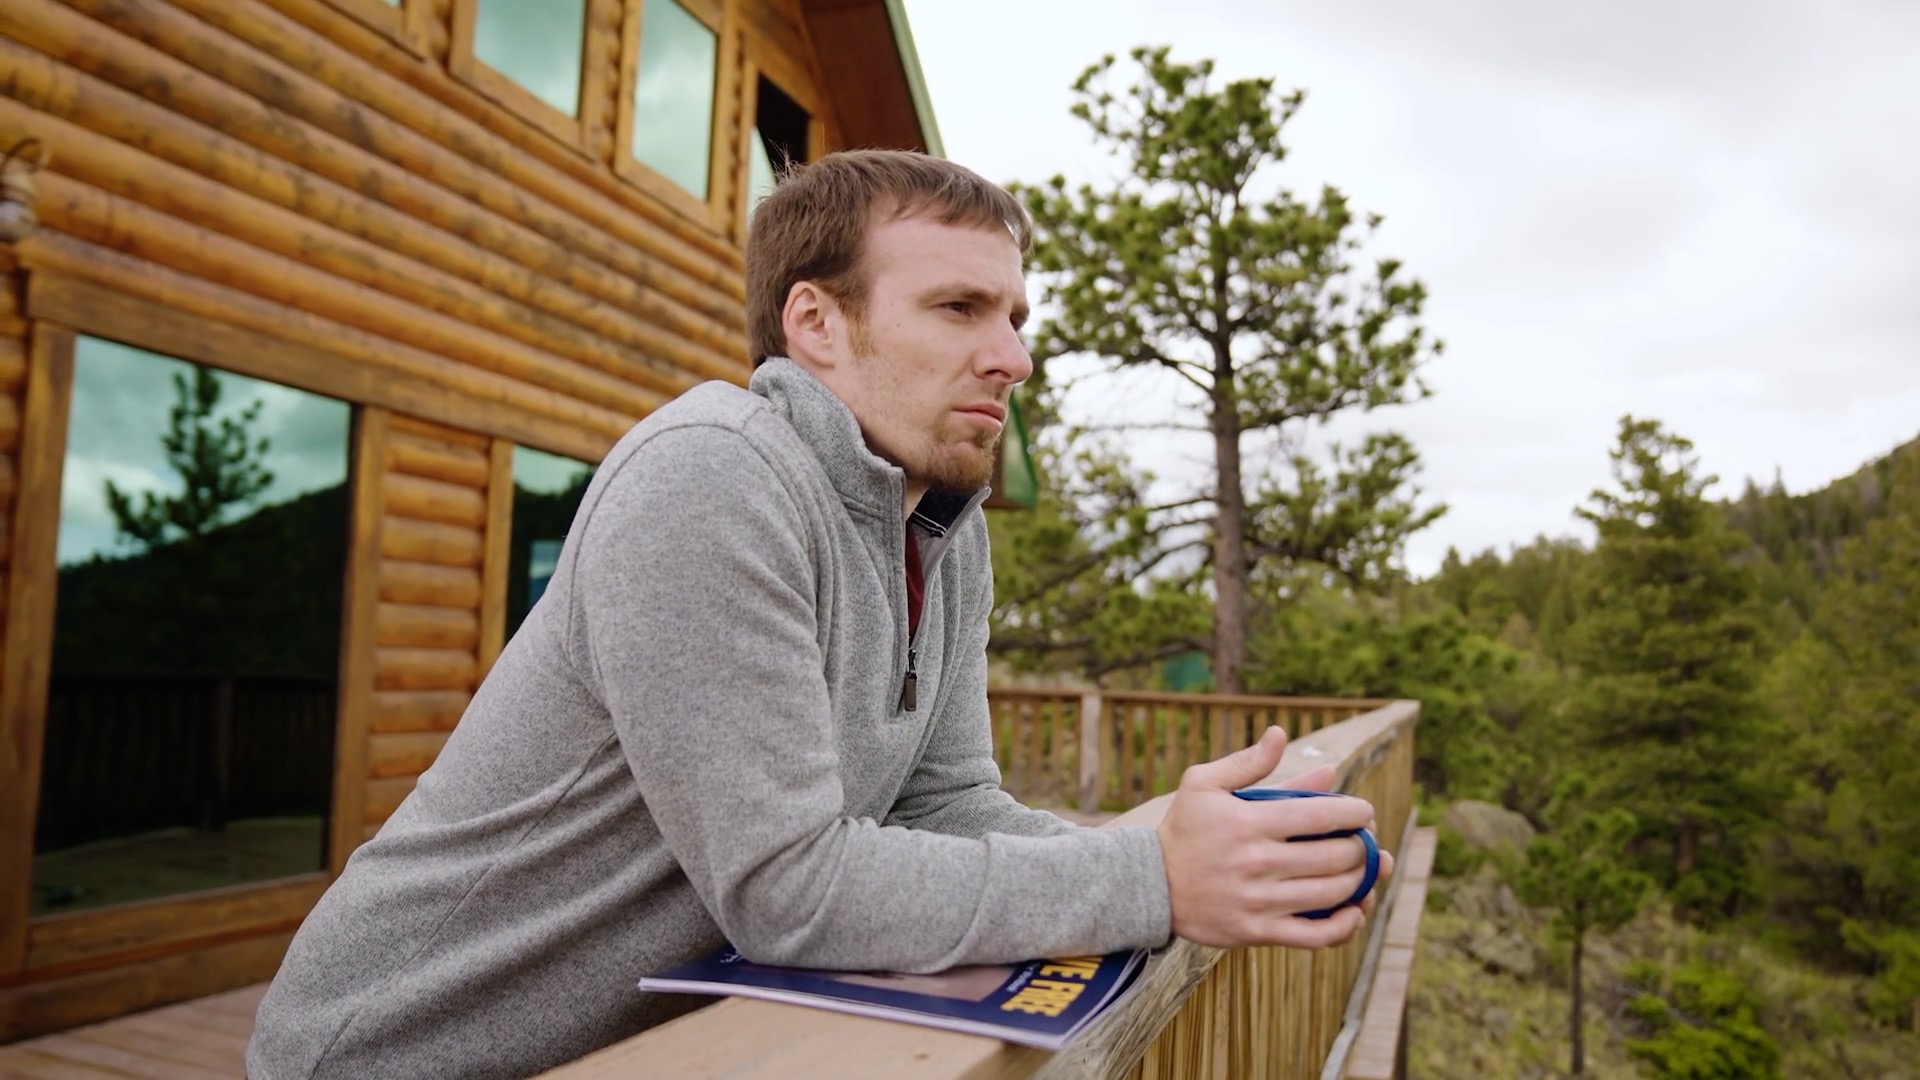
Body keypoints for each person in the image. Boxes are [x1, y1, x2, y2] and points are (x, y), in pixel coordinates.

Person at [246, 150, 1390, 1079]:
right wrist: (1153, 882)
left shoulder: (946, 518)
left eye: (1016, 316)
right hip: (396, 1052)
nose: (1015, 357)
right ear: (816, 324)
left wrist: (1177, 850)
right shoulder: (713, 475)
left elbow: (948, 801)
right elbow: (789, 890)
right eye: (960, 308)